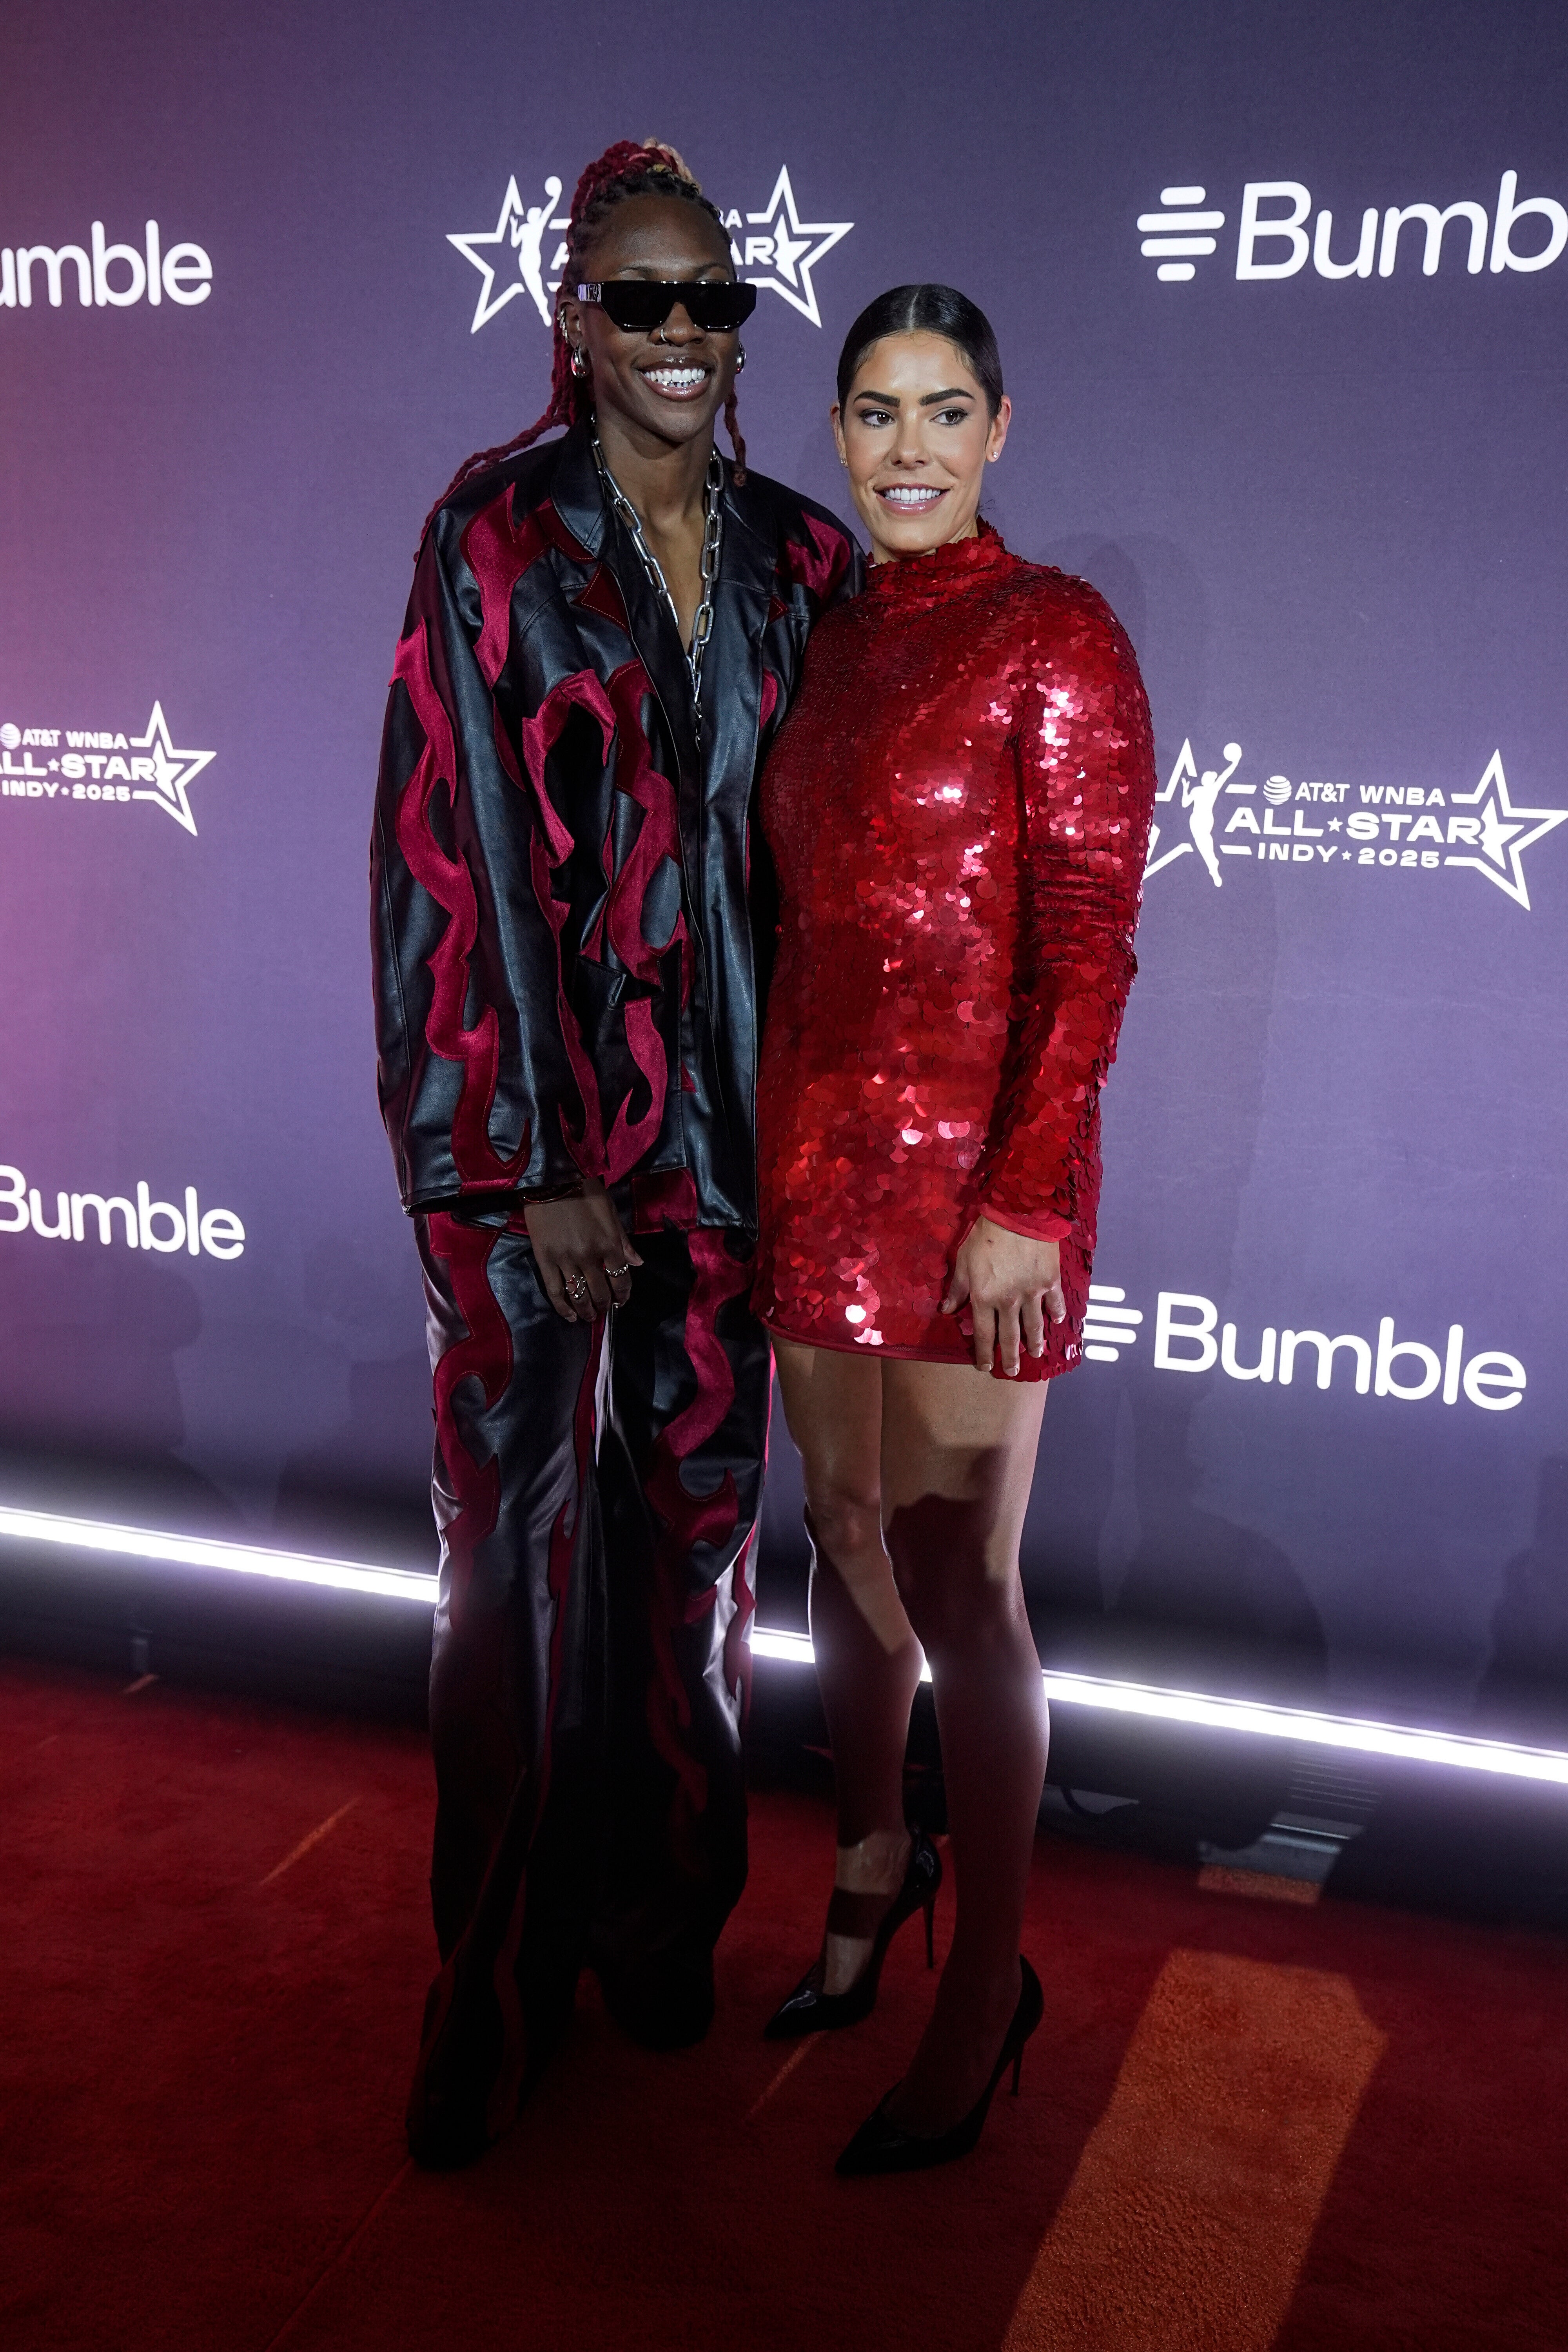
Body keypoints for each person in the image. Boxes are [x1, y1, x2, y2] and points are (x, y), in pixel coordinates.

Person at [371, 139, 861, 2169]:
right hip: (541, 1166)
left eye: (709, 300)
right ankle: (487, 1982)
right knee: (508, 1571)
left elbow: (830, 892)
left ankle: (661, 1918)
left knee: (693, 1570)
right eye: (635, 298)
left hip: (734, 1167)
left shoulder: (805, 566)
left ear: (740, 324)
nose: (677, 333)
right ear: (572, 317)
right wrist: (528, 1159)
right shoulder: (491, 541)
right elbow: (452, 854)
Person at [751, 285, 1156, 2173]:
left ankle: (986, 1983)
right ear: (834, 436)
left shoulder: (1053, 634)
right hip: (810, 1163)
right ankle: (869, 1863)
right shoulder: (819, 643)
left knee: (961, 1582)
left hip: (975, 1190)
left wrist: (1025, 1200)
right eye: (872, 413)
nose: (905, 447)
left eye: (942, 411)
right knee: (838, 1534)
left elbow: (1086, 952)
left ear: (1000, 428)